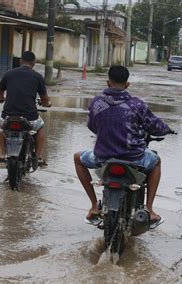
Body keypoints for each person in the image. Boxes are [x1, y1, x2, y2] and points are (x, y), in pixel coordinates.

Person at [73, 65, 174, 228]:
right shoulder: (137, 104)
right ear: (127, 84)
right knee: (156, 162)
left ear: (108, 82)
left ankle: (93, 206)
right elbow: (155, 126)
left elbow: (92, 126)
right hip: (135, 159)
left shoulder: (96, 102)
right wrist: (167, 129)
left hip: (102, 158)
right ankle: (149, 210)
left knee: (78, 158)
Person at [0, 51, 51, 165]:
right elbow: (44, 98)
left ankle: (3, 153)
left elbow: (0, 90)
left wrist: (1, 98)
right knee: (41, 127)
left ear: (21, 61)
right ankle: (39, 155)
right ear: (34, 63)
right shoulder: (37, 76)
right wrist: (46, 103)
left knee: (0, 126)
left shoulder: (9, 74)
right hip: (30, 117)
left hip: (8, 115)